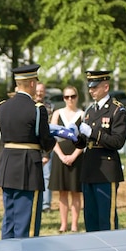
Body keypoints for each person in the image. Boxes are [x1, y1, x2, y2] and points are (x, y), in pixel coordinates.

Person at [0, 64, 56, 239]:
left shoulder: (3, 107)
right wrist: (55, 137)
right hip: (28, 165)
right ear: (31, 84)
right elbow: (45, 141)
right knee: (27, 219)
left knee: (10, 216)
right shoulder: (37, 109)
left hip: (7, 165)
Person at [75, 70, 126, 232]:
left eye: (95, 87)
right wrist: (75, 137)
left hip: (106, 168)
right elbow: (83, 143)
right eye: (90, 87)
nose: (91, 91)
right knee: (90, 216)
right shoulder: (90, 111)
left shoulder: (116, 110)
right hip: (90, 167)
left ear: (106, 87)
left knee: (106, 217)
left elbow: (117, 142)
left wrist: (93, 134)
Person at [49, 85, 84, 233]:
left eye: (73, 96)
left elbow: (84, 140)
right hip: (60, 156)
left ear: (77, 97)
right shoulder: (57, 113)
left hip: (77, 156)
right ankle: (63, 224)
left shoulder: (82, 114)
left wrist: (74, 155)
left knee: (76, 191)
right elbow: (52, 137)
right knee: (62, 191)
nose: (70, 100)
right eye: (66, 97)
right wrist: (61, 156)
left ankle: (75, 224)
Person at [35, 82, 55, 214]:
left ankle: (46, 204)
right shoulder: (30, 105)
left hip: (46, 144)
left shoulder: (49, 106)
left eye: (42, 90)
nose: (39, 93)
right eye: (38, 90)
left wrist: (46, 153)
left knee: (47, 175)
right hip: (34, 145)